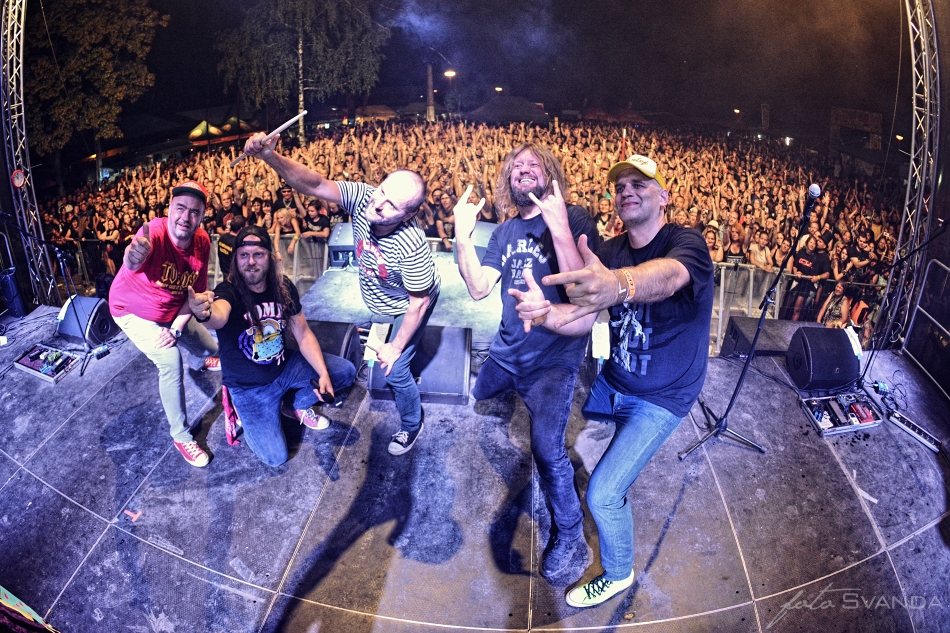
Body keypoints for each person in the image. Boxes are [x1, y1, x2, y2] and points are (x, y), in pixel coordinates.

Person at [513, 154, 714, 608]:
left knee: (603, 494)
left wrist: (619, 285)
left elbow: (668, 278)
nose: (627, 191)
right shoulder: (611, 251)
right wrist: (545, 313)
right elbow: (582, 315)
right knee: (580, 442)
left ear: (664, 197)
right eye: (620, 185)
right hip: (616, 381)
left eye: (639, 184)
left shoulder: (687, 243)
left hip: (663, 397)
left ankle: (619, 573)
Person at [242, 132, 439, 456]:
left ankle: (411, 423)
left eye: (391, 204)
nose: (378, 203)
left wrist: (396, 347)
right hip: (381, 298)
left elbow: (420, 302)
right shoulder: (364, 197)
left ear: (407, 215)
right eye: (382, 190)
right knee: (379, 342)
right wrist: (270, 157)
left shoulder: (412, 245)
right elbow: (316, 184)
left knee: (396, 369)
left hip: (409, 302)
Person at [454, 143, 598, 583]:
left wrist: (558, 225)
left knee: (546, 450)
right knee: (481, 393)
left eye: (534, 164)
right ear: (509, 180)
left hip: (552, 360)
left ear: (549, 175)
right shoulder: (504, 232)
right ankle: (506, 390)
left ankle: (571, 535)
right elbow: (479, 288)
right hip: (507, 351)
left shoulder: (575, 218)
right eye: (517, 166)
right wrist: (462, 236)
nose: (525, 168)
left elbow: (582, 293)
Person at [186, 226, 356, 466]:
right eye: (244, 255)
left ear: (270, 256)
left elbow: (302, 332)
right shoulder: (228, 290)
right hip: (250, 388)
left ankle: (291, 406)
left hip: (285, 367)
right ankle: (243, 410)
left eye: (258, 254)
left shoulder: (282, 286)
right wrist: (203, 314)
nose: (251, 262)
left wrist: (323, 373)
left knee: (344, 372)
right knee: (275, 458)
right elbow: (218, 316)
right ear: (236, 260)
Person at [108, 181, 220, 467]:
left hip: (172, 311)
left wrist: (175, 330)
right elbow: (132, 260)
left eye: (194, 212)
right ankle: (181, 436)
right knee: (170, 360)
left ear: (202, 216)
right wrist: (131, 257)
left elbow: (193, 296)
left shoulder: (202, 242)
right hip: (131, 311)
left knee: (209, 349)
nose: (185, 217)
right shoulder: (153, 234)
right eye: (180, 208)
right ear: (169, 209)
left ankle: (198, 362)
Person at [217, 215, 246, 279]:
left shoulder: (222, 238)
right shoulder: (237, 243)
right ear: (241, 229)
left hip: (225, 273)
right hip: (234, 276)